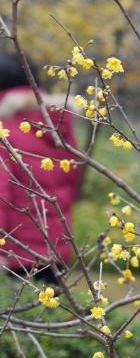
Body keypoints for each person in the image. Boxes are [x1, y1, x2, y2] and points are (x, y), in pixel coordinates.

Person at [0, 54, 82, 282]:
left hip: (15, 252)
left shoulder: (4, 130)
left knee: (18, 315)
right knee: (53, 312)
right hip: (56, 246)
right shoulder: (58, 123)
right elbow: (71, 181)